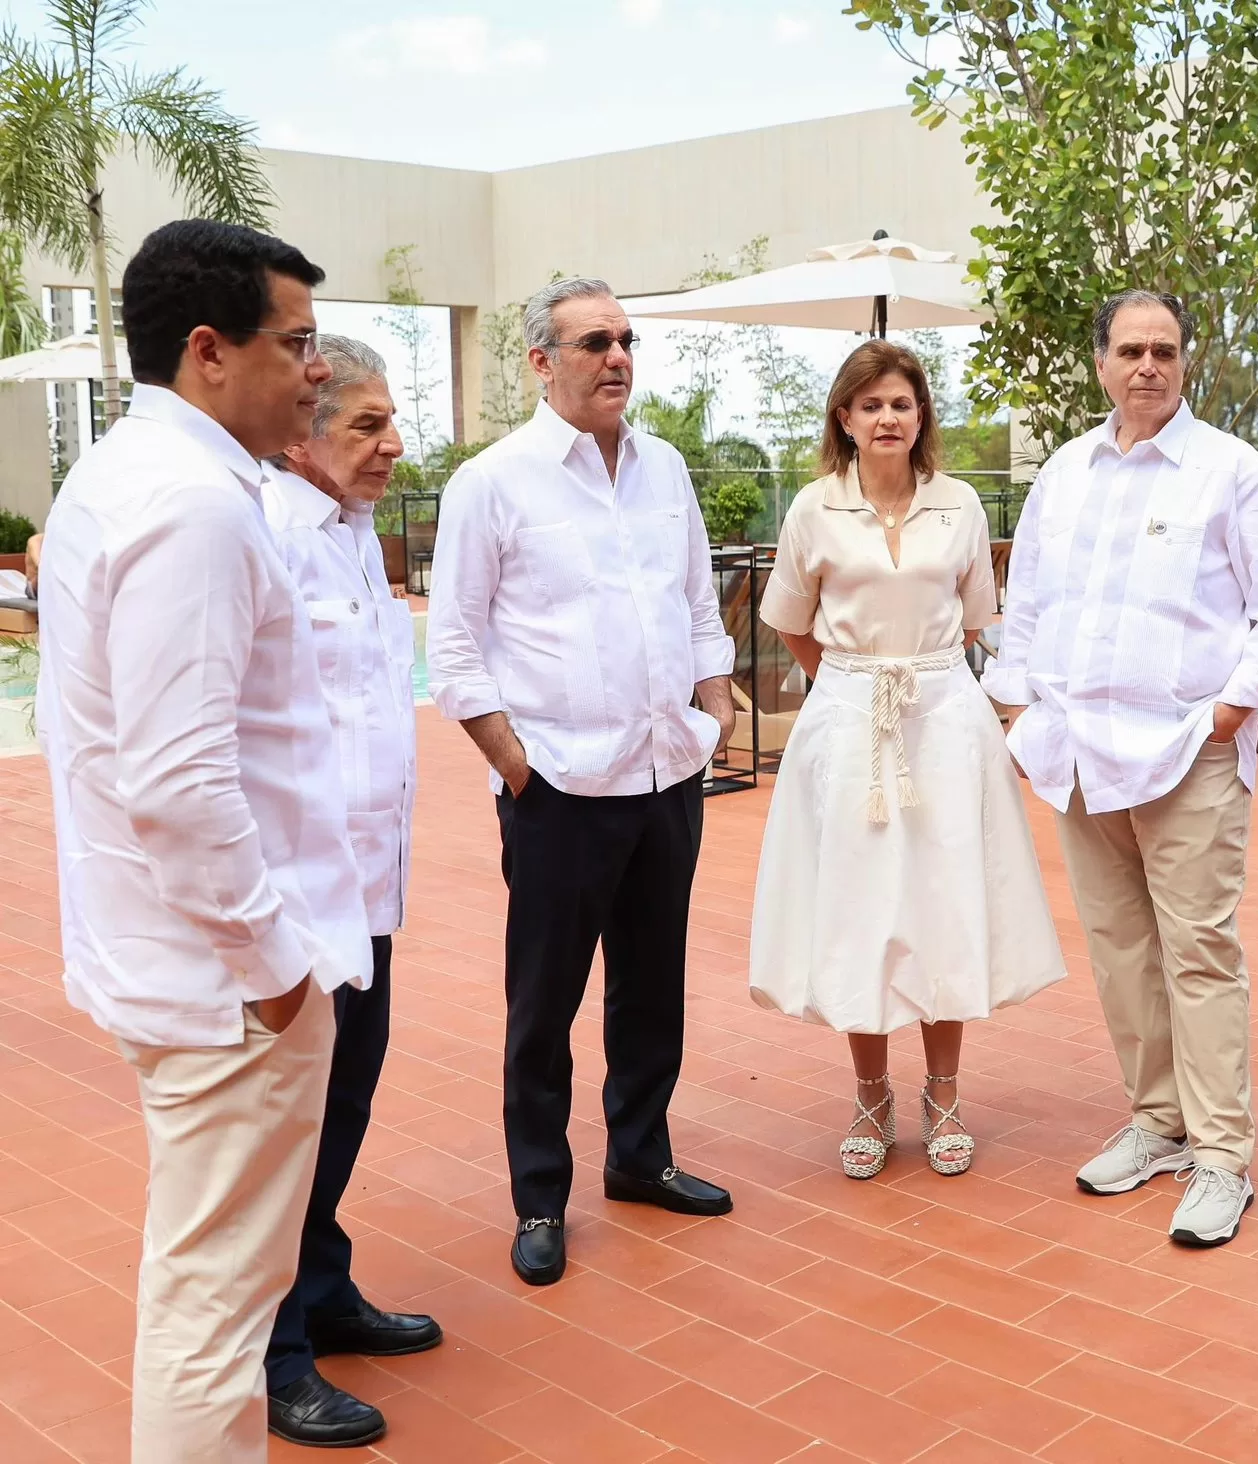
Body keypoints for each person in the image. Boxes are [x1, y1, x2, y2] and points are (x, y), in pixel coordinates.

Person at [35, 219, 370, 1463]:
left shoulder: (134, 477)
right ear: (207, 352)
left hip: (183, 964)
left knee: (204, 1289)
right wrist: (276, 969)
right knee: (216, 1311)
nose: (317, 372)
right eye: (297, 344)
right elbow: (178, 781)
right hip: (227, 986)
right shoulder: (193, 508)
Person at [428, 277, 738, 1288]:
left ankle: (641, 1158)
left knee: (652, 987)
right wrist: (516, 767)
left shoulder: (665, 470)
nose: (617, 357)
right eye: (594, 341)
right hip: (557, 788)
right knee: (544, 1002)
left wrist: (715, 703)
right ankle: (538, 1196)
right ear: (540, 362)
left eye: (626, 340)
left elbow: (697, 601)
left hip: (664, 774)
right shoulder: (492, 483)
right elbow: (455, 646)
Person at [984, 289, 1258, 1248]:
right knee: (1121, 948)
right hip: (1080, 751)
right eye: (1131, 350)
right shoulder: (1065, 474)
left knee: (1200, 951)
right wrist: (1018, 710)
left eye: (1164, 350)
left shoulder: (1231, 472)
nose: (1148, 367)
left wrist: (1228, 714)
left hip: (1187, 755)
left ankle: (1220, 1157)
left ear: (1185, 362)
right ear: (1101, 362)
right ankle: (1158, 1122)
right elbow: (1028, 599)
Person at [749, 340, 1064, 1179]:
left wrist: (918, 684)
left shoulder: (959, 505)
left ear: (921, 415)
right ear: (844, 419)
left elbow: (971, 623)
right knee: (860, 906)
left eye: (902, 403)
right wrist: (850, 685)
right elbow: (790, 621)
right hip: (850, 725)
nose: (888, 417)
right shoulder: (814, 508)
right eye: (871, 405)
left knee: (941, 903)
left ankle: (947, 1094)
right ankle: (872, 1095)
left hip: (944, 725)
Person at [259, 337, 441, 1447]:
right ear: (300, 432)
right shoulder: (271, 542)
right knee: (287, 1129)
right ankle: (274, 1351)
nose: (391, 446)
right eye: (365, 426)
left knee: (346, 1107)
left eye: (389, 423)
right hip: (296, 900)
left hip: (368, 890)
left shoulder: (357, 538)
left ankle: (321, 1286)